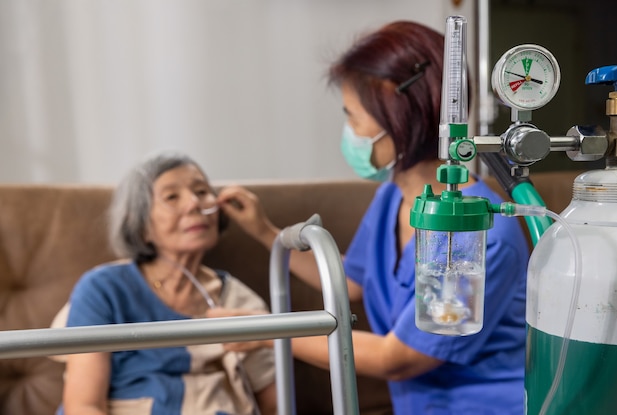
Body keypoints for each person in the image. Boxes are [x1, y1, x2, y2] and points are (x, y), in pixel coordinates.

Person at [212, 20, 529, 414]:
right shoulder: (393, 196)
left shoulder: (476, 230)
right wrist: (263, 231)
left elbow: (398, 358)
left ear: (399, 118)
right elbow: (350, 280)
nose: (350, 134)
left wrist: (268, 331)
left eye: (353, 117)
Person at [54, 151, 276, 415]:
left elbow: (273, 404)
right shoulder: (103, 289)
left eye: (202, 191)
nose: (194, 203)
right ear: (141, 225)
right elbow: (84, 405)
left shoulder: (239, 301)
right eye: (172, 196)